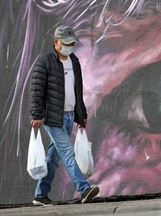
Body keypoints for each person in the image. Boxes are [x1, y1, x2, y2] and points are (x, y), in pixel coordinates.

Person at [30, 25, 99, 206]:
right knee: (67, 152)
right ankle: (84, 188)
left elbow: (78, 90)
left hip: (69, 116)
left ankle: (40, 194)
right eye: (66, 43)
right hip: (53, 117)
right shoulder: (44, 63)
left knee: (53, 157)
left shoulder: (74, 61)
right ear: (56, 42)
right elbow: (37, 90)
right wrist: (36, 115)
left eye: (72, 43)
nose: (70, 46)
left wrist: (81, 115)